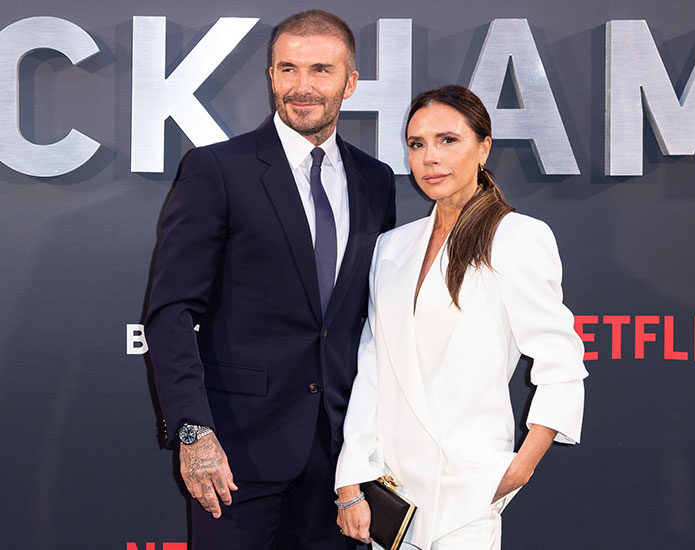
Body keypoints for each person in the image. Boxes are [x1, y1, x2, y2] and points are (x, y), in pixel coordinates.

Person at [144, 10, 395, 550]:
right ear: (272, 76)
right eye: (288, 69)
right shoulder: (217, 169)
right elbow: (170, 311)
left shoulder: (376, 180)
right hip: (236, 453)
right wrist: (193, 430)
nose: (302, 87)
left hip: (341, 458)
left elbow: (370, 317)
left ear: (350, 82)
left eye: (321, 71)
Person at [334, 85, 588, 550]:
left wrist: (516, 470)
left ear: (484, 145)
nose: (430, 157)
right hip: (391, 499)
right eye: (417, 144)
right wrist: (351, 480)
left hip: (465, 496)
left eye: (448, 140)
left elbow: (562, 365)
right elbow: (372, 369)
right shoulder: (392, 247)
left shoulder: (518, 238)